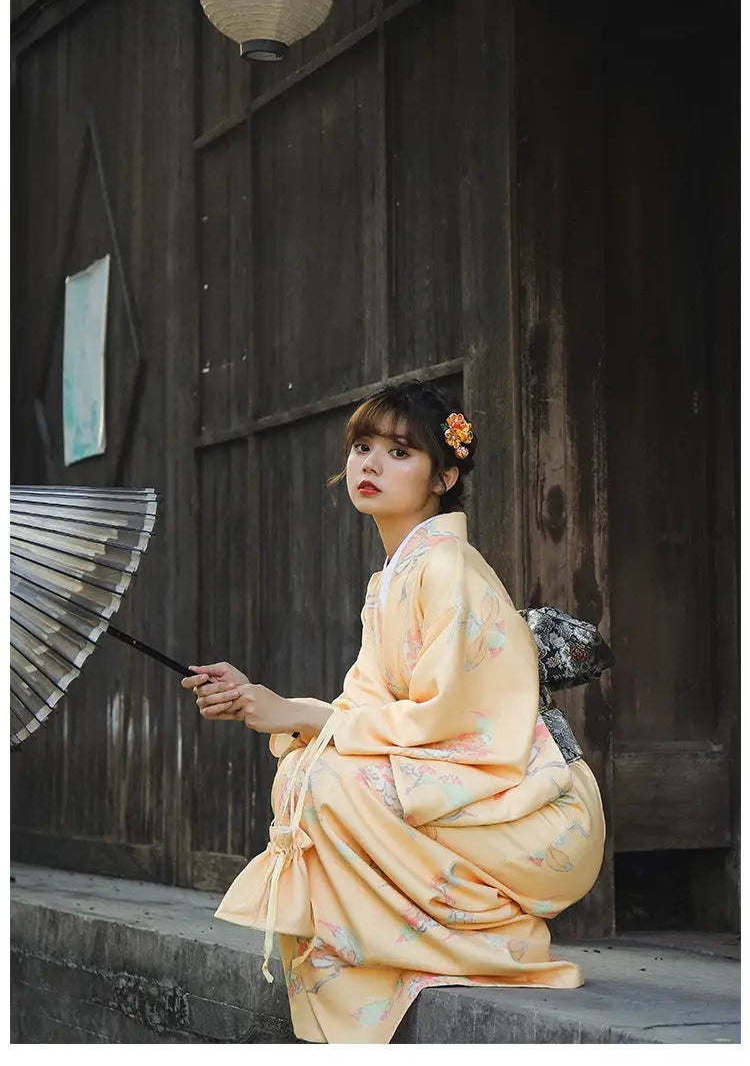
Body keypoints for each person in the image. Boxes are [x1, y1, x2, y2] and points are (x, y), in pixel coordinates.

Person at [181, 379, 605, 1045]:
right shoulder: (394, 580)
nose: (369, 464)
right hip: (475, 801)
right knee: (302, 772)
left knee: (325, 781)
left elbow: (445, 725)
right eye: (361, 447)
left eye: (399, 452)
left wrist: (301, 715)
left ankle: (487, 936)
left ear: (445, 475)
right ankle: (409, 940)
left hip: (534, 815)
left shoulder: (447, 570)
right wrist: (262, 703)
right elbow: (363, 712)